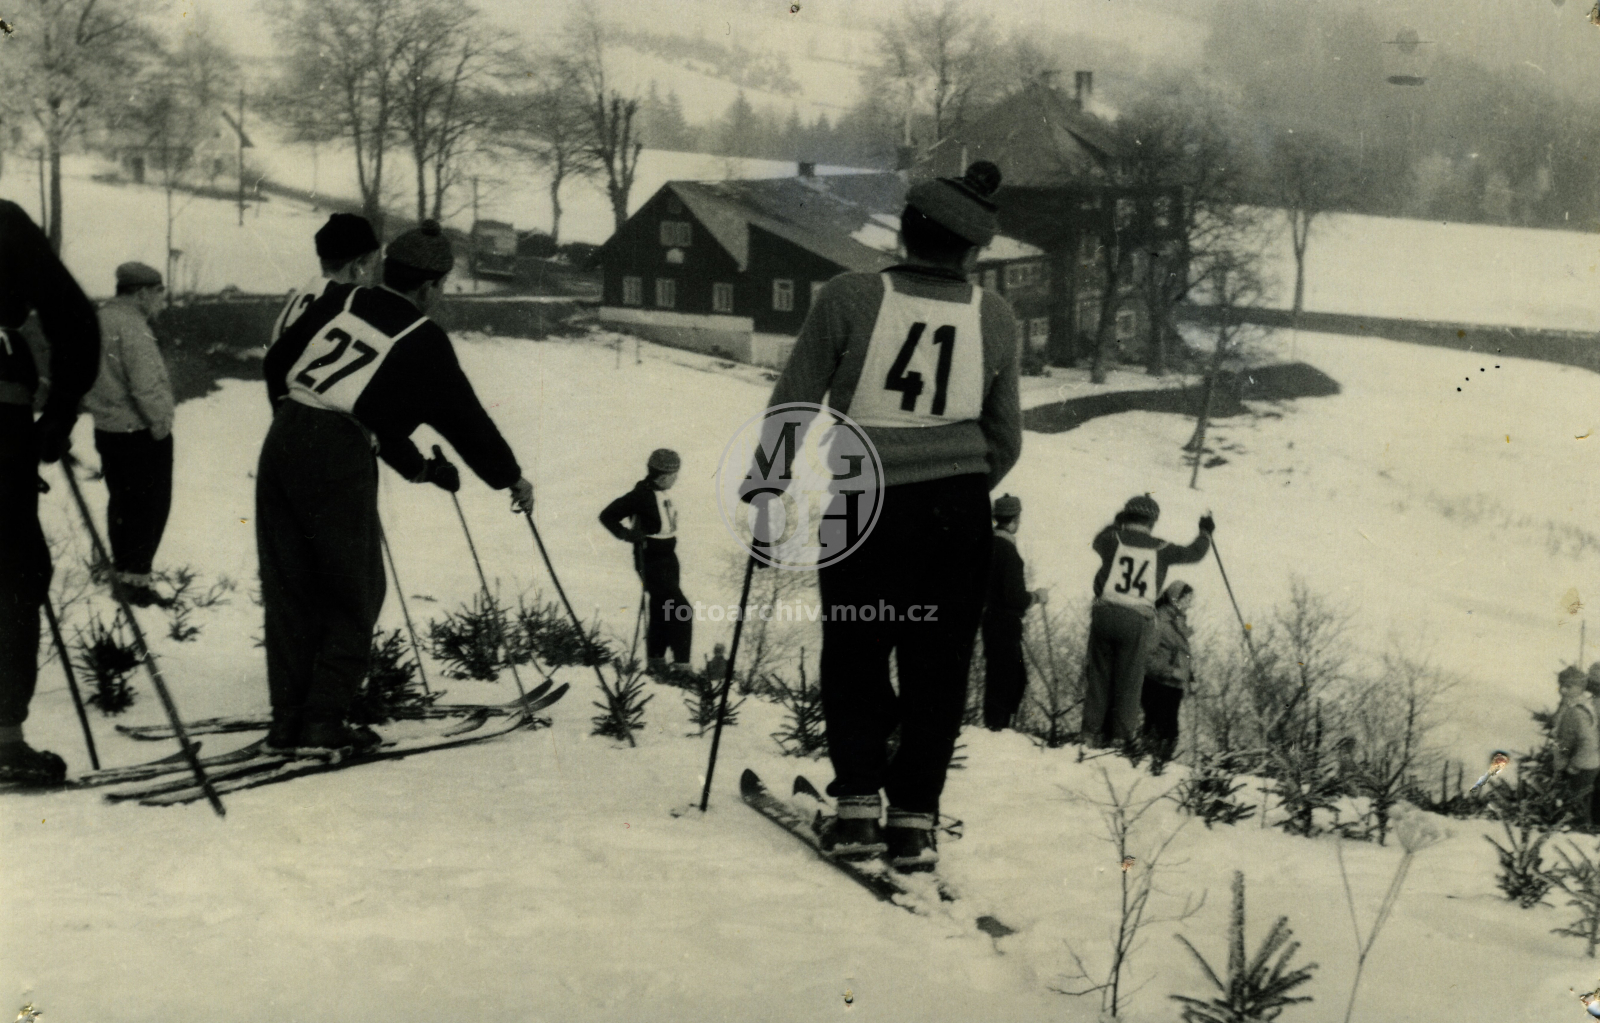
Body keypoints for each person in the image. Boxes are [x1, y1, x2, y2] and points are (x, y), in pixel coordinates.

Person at [752, 161, 1022, 872]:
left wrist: (768, 487)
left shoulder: (850, 295)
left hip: (863, 503)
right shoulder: (995, 315)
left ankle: (856, 814)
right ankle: (912, 824)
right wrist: (958, 484)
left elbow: (794, 402)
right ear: (972, 252)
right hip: (958, 512)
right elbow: (1006, 437)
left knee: (856, 652)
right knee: (940, 666)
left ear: (903, 231)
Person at [258, 219, 535, 754]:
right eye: (442, 286)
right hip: (338, 454)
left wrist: (296, 421)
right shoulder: (423, 337)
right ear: (429, 286)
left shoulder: (342, 299)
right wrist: (510, 477)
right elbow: (466, 421)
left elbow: (278, 361)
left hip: (283, 438)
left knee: (289, 588)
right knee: (355, 589)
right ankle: (322, 722)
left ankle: (287, 720)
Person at [0, 200, 102, 784]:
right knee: (11, 573)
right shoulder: (4, 223)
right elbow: (74, 320)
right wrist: (59, 414)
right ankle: (2, 740)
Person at [81, 262, 175, 608]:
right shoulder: (133, 327)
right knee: (148, 510)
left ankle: (123, 576)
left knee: (122, 504)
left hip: (108, 430)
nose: (161, 301)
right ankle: (136, 585)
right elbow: (145, 385)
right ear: (141, 293)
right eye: (159, 293)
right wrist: (161, 425)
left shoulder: (99, 319)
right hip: (139, 434)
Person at [1085, 495, 1212, 748]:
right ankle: (1120, 739)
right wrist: (1205, 533)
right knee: (1130, 682)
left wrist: (1116, 523)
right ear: (1152, 522)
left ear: (1126, 516)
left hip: (1105, 613)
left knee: (1099, 677)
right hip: (1136, 619)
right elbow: (1194, 553)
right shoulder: (1161, 548)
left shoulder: (1112, 540)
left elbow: (1097, 540)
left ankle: (1089, 736)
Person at [599, 449, 691, 675]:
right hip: (651, 559)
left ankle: (657, 661)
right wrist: (627, 535)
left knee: (662, 608)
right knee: (681, 609)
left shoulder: (661, 493)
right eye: (674, 475)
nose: (676, 479)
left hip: (668, 558)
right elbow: (607, 515)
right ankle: (682, 667)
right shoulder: (640, 495)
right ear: (662, 476)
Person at [981, 493, 1048, 731]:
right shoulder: (1008, 551)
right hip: (1005, 623)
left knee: (1002, 678)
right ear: (1014, 519)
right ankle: (997, 730)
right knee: (1010, 681)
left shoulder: (988, 545)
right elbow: (1015, 597)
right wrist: (1037, 596)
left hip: (989, 620)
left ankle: (996, 729)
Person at [270, 213, 381, 346]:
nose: (371, 276)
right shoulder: (346, 307)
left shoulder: (298, 299)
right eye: (372, 266)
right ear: (357, 265)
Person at [1140, 580, 1196, 767]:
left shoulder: (1178, 621)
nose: (1190, 603)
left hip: (1172, 686)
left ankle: (1157, 768)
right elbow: (1146, 657)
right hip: (1157, 684)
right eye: (1187, 599)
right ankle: (1150, 769)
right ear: (1175, 599)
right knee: (1160, 732)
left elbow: (1180, 653)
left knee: (1169, 734)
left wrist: (1190, 676)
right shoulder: (1159, 621)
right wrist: (1171, 671)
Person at [1554, 665, 1600, 829]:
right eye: (1561, 685)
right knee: (1579, 803)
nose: (1563, 690)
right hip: (1583, 763)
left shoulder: (1578, 710)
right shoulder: (1574, 705)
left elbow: (1588, 740)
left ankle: (1581, 834)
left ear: (1581, 687)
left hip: (1582, 765)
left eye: (1568, 686)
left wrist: (1573, 764)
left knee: (1577, 805)